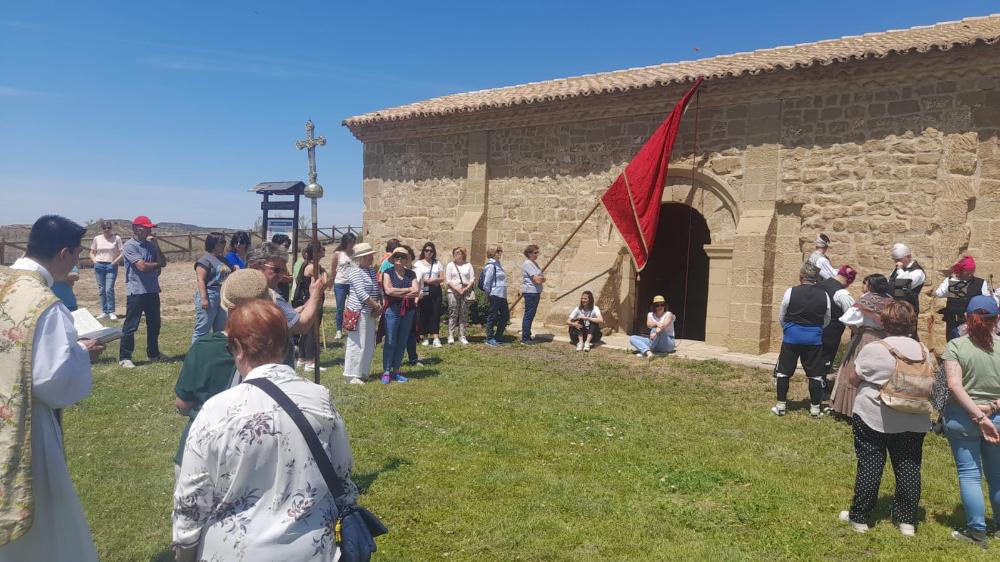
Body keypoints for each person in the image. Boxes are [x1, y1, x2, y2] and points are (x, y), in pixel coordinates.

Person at [172, 299, 360, 561]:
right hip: (312, 549)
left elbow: (192, 500)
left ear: (238, 349)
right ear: (286, 345)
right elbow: (342, 472)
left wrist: (184, 552)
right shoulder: (320, 398)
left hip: (236, 551)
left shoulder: (216, 411)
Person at [0, 215, 104, 561]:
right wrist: (82, 353)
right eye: (76, 255)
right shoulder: (44, 304)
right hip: (25, 423)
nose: (77, 262)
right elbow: (52, 382)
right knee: (44, 524)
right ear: (63, 253)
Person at [839, 300, 932, 536]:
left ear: (884, 322)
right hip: (914, 416)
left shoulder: (876, 349)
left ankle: (860, 516)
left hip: (875, 415)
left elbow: (853, 379)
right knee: (909, 465)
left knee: (871, 463)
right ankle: (907, 521)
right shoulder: (923, 351)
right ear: (911, 323)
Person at [173, 269, 272, 479]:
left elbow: (183, 404)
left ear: (227, 306)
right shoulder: (279, 347)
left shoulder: (204, 348)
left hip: (203, 448)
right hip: (260, 451)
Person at [940, 294, 1000, 547]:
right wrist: (992, 407)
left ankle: (977, 530)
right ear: (997, 319)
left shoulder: (956, 346)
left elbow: (954, 385)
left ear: (966, 318)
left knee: (970, 475)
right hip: (997, 418)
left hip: (963, 417)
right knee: (997, 475)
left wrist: (978, 414)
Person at [247, 243, 325, 367]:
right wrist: (315, 295)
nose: (281, 276)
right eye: (276, 270)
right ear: (255, 266)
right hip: (275, 367)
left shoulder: (242, 292)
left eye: (283, 271)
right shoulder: (270, 296)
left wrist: (298, 310)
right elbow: (302, 326)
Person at [771, 262, 831, 417]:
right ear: (816, 279)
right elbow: (827, 317)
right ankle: (815, 409)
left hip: (792, 336)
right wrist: (816, 329)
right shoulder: (824, 295)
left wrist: (788, 328)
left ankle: (781, 406)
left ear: (801, 276)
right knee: (815, 375)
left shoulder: (790, 292)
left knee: (784, 372)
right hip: (814, 339)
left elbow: (782, 314)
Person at [830, 274, 893, 418]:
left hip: (866, 339)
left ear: (870, 286)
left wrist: (857, 330)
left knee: (856, 370)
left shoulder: (865, 299)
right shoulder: (891, 301)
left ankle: (850, 409)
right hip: (885, 340)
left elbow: (848, 319)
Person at [119, 215, 168, 369]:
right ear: (136, 229)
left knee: (154, 324)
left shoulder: (151, 245)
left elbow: (163, 262)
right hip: (136, 291)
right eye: (145, 228)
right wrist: (156, 265)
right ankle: (125, 357)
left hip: (152, 290)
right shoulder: (129, 246)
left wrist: (157, 245)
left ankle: (153, 353)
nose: (149, 231)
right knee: (131, 325)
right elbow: (142, 267)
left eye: (149, 228)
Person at [343, 243, 383, 384]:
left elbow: (376, 288)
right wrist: (375, 305)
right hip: (359, 312)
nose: (372, 257)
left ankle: (363, 372)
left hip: (370, 311)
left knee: (368, 343)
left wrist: (378, 305)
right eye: (369, 255)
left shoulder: (371, 270)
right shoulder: (355, 271)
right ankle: (352, 375)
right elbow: (361, 293)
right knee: (357, 343)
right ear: (361, 258)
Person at [380, 247, 419, 384]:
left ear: (406, 259)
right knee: (390, 341)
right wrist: (407, 290)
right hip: (392, 310)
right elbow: (388, 291)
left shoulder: (411, 274)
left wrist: (399, 292)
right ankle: (386, 371)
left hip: (408, 310)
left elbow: (416, 291)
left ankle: (396, 370)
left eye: (403, 257)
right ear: (393, 258)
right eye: (397, 256)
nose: (400, 259)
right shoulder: (387, 273)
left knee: (402, 341)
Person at [932, 255, 990, 341]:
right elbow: (939, 293)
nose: (970, 274)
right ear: (961, 270)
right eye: (967, 271)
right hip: (953, 321)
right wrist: (953, 281)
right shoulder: (951, 280)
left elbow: (986, 300)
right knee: (953, 342)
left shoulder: (981, 283)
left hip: (972, 321)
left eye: (972, 271)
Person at [292, 244, 328, 373]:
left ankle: (302, 358)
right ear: (316, 253)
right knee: (312, 331)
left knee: (307, 331)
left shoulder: (307, 265)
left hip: (306, 300)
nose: (324, 251)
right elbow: (322, 284)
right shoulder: (313, 267)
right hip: (311, 301)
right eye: (321, 249)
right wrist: (324, 273)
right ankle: (310, 361)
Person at [190, 232, 231, 345]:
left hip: (222, 295)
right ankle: (196, 352)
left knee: (221, 329)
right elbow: (201, 279)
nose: (224, 244)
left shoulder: (223, 260)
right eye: (222, 242)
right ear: (213, 243)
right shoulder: (204, 260)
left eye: (225, 241)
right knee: (203, 329)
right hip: (210, 294)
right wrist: (204, 299)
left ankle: (217, 351)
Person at [818, 265, 857, 381]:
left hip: (813, 329)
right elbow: (852, 316)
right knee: (824, 363)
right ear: (848, 280)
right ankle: (821, 386)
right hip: (830, 333)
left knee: (814, 362)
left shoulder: (818, 285)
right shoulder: (841, 293)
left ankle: (815, 382)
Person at [889, 243, 925, 338]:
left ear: (908, 256)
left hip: (908, 309)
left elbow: (903, 285)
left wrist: (900, 270)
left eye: (899, 260)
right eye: (895, 260)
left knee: (908, 335)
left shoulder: (917, 272)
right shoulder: (899, 269)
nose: (897, 262)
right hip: (895, 308)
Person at [89, 220, 123, 319]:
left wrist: (114, 262)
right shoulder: (97, 238)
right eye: (104, 228)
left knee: (109, 289)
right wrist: (95, 261)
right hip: (99, 265)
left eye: (108, 227)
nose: (106, 230)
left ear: (111, 228)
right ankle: (104, 311)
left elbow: (122, 253)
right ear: (102, 229)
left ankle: (111, 311)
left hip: (111, 265)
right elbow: (92, 252)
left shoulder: (117, 238)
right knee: (102, 289)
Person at [414, 241, 445, 348]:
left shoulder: (437, 263)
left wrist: (434, 279)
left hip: (435, 289)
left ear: (434, 252)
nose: (429, 252)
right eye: (427, 250)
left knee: (435, 313)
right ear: (423, 251)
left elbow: (442, 278)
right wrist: (424, 281)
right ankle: (425, 337)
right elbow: (415, 278)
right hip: (424, 288)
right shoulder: (418, 264)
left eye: (431, 251)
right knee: (424, 313)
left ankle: (436, 337)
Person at [446, 246, 475, 345]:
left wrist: (466, 289)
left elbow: (472, 279)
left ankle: (462, 336)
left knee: (464, 313)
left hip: (465, 292)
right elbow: (448, 280)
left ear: (463, 254)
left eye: (459, 252)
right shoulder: (450, 265)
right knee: (453, 313)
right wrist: (457, 289)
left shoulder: (468, 265)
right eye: (455, 253)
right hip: (453, 292)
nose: (456, 254)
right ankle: (451, 335)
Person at [331, 233, 356, 340]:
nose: (352, 244)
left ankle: (352, 326)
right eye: (350, 242)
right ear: (345, 242)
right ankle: (338, 330)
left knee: (353, 306)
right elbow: (333, 269)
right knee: (340, 308)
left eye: (353, 242)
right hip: (340, 283)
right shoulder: (338, 254)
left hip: (352, 283)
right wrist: (333, 282)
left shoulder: (356, 253)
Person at [483, 246, 509, 347]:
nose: (500, 253)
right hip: (495, 293)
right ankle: (489, 338)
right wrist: (488, 294)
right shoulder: (491, 265)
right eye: (498, 251)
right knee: (492, 316)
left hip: (502, 294)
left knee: (505, 315)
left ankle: (498, 336)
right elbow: (487, 282)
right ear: (492, 253)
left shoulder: (498, 264)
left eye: (500, 251)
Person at [521, 244, 546, 344]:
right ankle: (525, 338)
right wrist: (540, 279)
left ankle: (527, 334)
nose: (537, 254)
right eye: (535, 253)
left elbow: (542, 278)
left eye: (537, 252)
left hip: (536, 292)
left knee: (531, 315)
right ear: (529, 253)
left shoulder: (534, 263)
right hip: (530, 292)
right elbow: (537, 280)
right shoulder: (528, 264)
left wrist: (541, 278)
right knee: (529, 315)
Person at [271, 234, 292, 301]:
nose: (287, 248)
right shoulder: (273, 259)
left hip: (282, 291)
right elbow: (276, 275)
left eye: (288, 246)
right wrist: (290, 279)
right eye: (286, 245)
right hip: (277, 292)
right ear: (277, 245)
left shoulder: (281, 259)